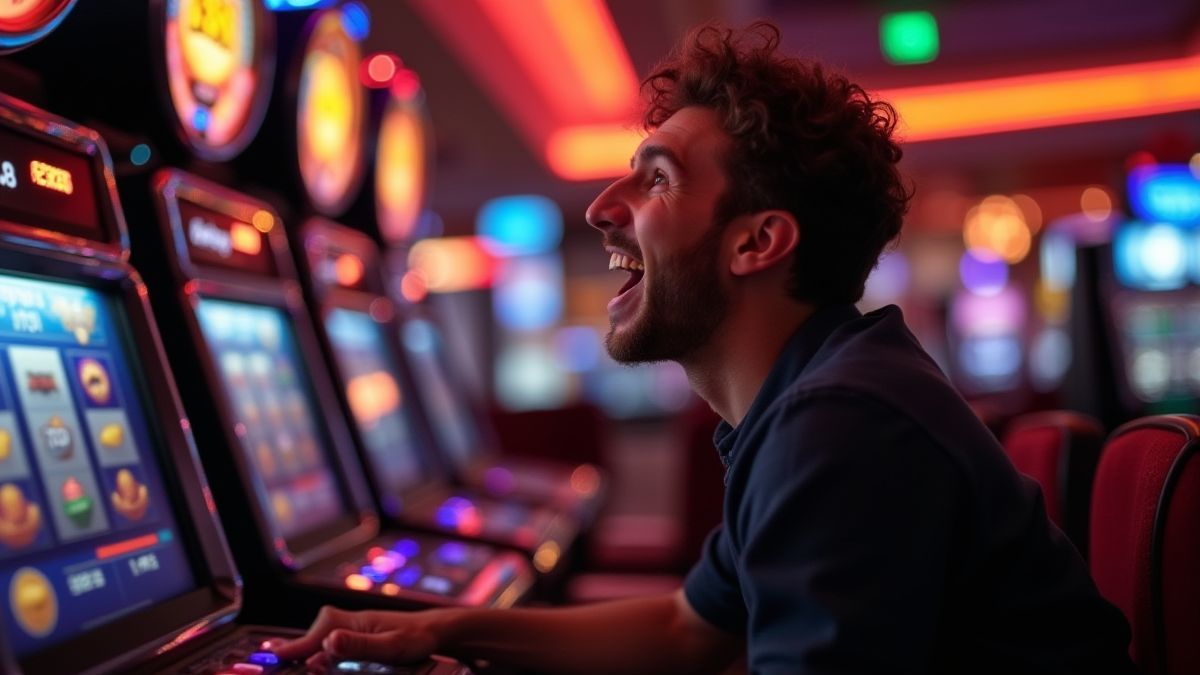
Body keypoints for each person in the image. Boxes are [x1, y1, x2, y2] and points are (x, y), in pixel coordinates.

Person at [274, 21, 1136, 674]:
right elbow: (688, 626)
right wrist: (446, 627)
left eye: (657, 179)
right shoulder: (817, 398)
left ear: (757, 242)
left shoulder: (841, 424)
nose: (602, 206)